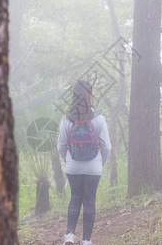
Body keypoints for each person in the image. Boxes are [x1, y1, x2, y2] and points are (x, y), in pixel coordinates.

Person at [57, 80, 111, 245]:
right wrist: (100, 163)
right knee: (89, 200)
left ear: (73, 96)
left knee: (75, 198)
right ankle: (86, 240)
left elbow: (61, 145)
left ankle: (69, 236)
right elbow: (107, 146)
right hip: (94, 166)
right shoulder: (99, 118)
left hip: (73, 166)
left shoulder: (67, 119)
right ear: (91, 95)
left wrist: (68, 160)